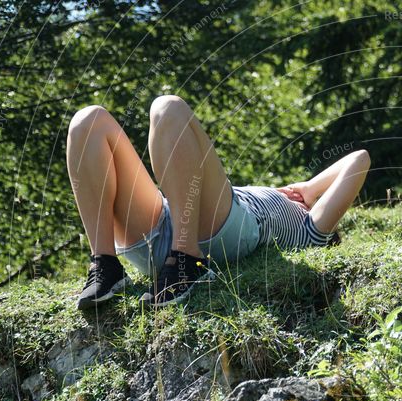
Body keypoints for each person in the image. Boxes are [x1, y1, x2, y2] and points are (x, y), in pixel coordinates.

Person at [66, 94, 370, 309]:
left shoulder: (312, 230)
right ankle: (105, 264)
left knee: (168, 107)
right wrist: (303, 191)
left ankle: (189, 261)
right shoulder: (296, 212)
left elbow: (359, 160)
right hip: (165, 232)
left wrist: (310, 189)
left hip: (216, 234)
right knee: (87, 121)